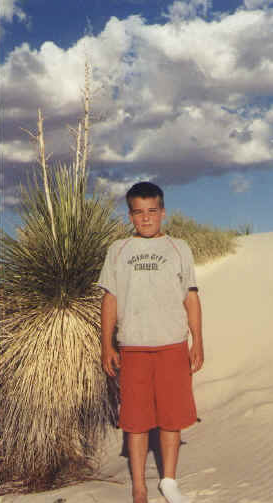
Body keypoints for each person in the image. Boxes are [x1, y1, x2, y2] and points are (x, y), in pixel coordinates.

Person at [98, 181, 204, 503]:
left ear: (162, 213)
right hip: (133, 346)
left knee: (172, 417)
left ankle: (168, 481)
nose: (146, 219)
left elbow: (191, 297)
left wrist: (197, 340)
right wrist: (107, 344)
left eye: (152, 211)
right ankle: (140, 487)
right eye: (138, 212)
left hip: (172, 344)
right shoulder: (117, 250)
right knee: (136, 420)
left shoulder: (179, 247)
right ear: (130, 215)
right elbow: (110, 299)